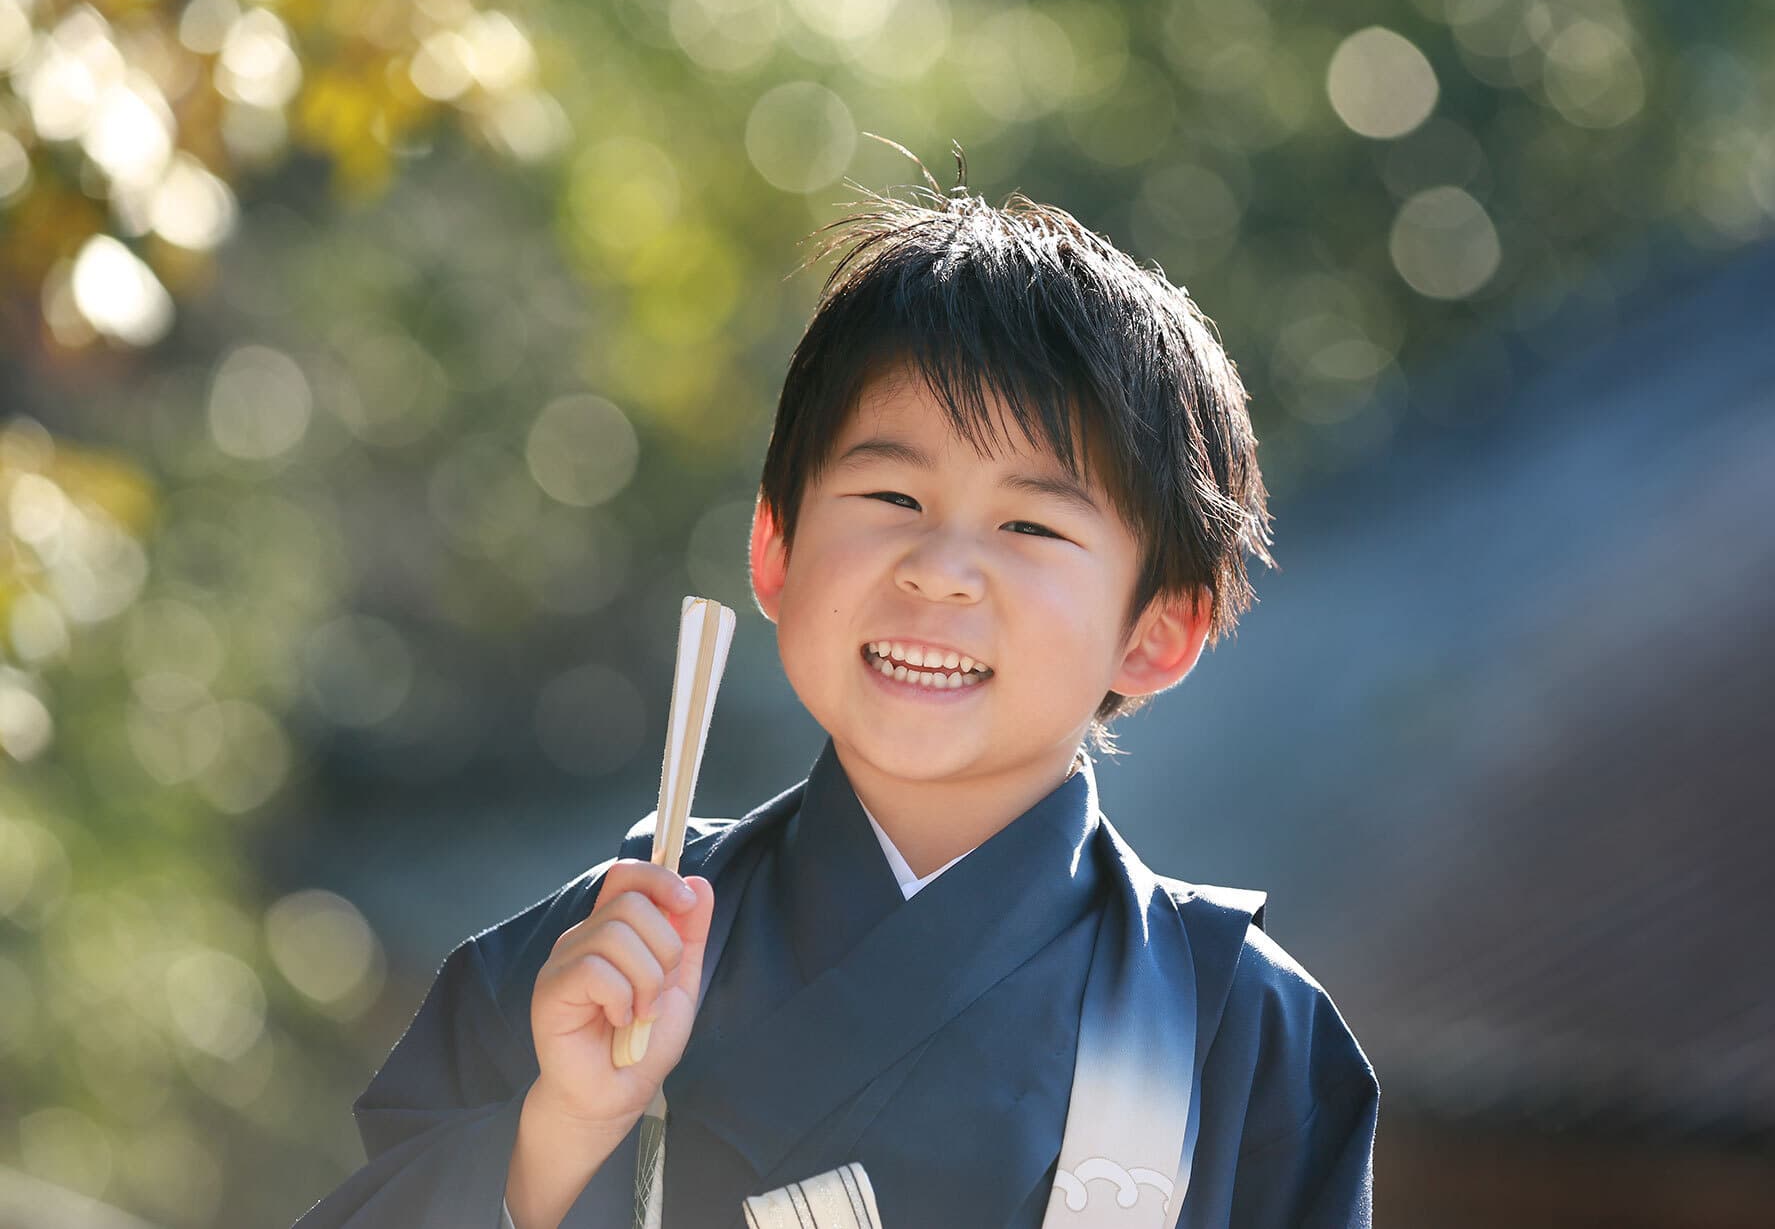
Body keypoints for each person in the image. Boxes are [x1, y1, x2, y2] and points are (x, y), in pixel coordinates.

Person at [293, 179, 1378, 1228]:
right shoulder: (598, 954)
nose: (940, 567)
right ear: (774, 549)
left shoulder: (1237, 1034)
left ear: (1156, 632)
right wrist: (562, 1127)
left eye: (1030, 525)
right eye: (892, 495)